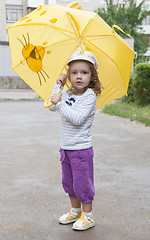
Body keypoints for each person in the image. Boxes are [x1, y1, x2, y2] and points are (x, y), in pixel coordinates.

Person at [49, 51, 102, 231]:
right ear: (68, 74)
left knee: (82, 184)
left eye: (84, 72)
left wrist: (61, 102)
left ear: (92, 75)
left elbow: (77, 118)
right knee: (69, 183)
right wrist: (58, 85)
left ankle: (88, 216)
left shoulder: (89, 96)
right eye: (74, 72)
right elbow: (51, 105)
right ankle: (75, 210)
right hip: (66, 148)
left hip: (81, 150)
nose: (79, 76)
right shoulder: (67, 92)